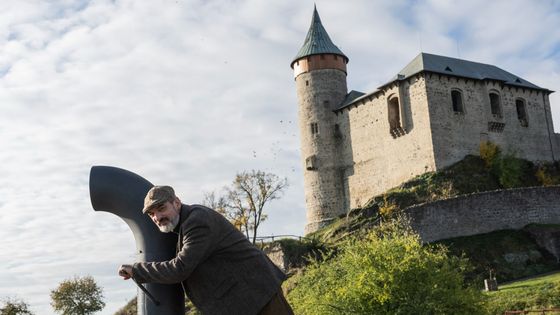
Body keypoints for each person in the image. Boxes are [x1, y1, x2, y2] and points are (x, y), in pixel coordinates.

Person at [118, 185, 294, 315]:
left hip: (257, 296)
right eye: (151, 214)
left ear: (177, 203)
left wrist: (136, 270)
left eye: (161, 208)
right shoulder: (183, 225)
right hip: (244, 302)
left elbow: (180, 269)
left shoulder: (197, 221)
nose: (157, 217)